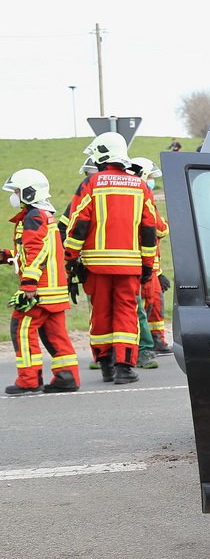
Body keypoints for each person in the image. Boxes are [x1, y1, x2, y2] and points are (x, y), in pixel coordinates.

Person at [64, 132, 158, 384]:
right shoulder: (139, 186)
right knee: (127, 313)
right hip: (129, 266)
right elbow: (149, 230)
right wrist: (147, 265)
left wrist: (70, 259)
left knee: (101, 313)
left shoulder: (91, 183)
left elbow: (78, 225)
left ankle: (105, 365)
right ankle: (124, 368)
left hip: (95, 266)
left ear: (101, 154)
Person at [2, 169, 81, 394]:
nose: (14, 195)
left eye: (17, 191)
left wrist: (28, 284)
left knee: (21, 329)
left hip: (39, 291)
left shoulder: (34, 216)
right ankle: (67, 377)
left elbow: (36, 251)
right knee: (55, 335)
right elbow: (34, 251)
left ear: (28, 192)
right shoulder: (44, 214)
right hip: (53, 290)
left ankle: (29, 381)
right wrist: (7, 256)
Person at [129, 157, 172, 359]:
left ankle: (155, 339)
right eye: (151, 177)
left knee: (152, 304)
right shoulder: (144, 199)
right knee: (149, 305)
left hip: (147, 265)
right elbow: (160, 229)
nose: (153, 181)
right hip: (144, 266)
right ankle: (152, 341)